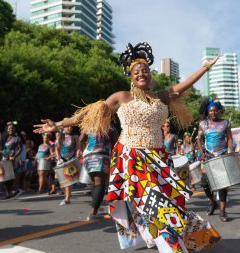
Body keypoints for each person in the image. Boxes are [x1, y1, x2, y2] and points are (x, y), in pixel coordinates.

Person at [34, 42, 221, 252]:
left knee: (169, 204)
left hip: (159, 160)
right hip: (132, 159)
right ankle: (171, 246)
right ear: (131, 77)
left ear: (151, 75)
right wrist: (58, 124)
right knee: (155, 204)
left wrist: (206, 67)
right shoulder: (121, 97)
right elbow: (88, 115)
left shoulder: (162, 97)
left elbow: (185, 84)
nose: (141, 74)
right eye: (136, 72)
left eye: (145, 71)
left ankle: (164, 236)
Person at [197, 98, 234, 222]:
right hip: (208, 155)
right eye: (211, 111)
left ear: (219, 111)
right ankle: (212, 202)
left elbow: (229, 138)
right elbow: (199, 140)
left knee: (222, 184)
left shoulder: (225, 123)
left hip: (222, 154)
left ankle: (222, 211)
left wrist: (231, 151)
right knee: (204, 183)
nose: (213, 113)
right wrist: (202, 153)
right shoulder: (203, 124)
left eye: (215, 110)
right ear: (208, 112)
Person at [77, 126, 118, 219]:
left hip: (88, 156)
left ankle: (96, 208)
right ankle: (93, 212)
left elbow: (81, 140)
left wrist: (82, 150)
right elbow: (116, 145)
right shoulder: (111, 128)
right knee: (100, 184)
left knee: (94, 182)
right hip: (102, 155)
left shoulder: (89, 126)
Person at [0, 122, 24, 200]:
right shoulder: (4, 138)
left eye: (12, 128)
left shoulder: (17, 138)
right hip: (4, 159)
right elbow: (1, 149)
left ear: (15, 129)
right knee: (4, 177)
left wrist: (14, 157)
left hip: (11, 159)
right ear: (7, 130)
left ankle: (10, 192)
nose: (11, 129)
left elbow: (20, 149)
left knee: (8, 176)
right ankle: (11, 192)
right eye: (9, 128)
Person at [55, 127, 78, 205]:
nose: (70, 128)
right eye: (68, 126)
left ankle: (67, 199)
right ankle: (68, 194)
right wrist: (58, 158)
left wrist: (76, 156)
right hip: (61, 160)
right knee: (58, 180)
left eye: (71, 126)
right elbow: (57, 148)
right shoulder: (60, 137)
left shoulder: (75, 137)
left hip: (70, 160)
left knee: (67, 179)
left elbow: (77, 148)